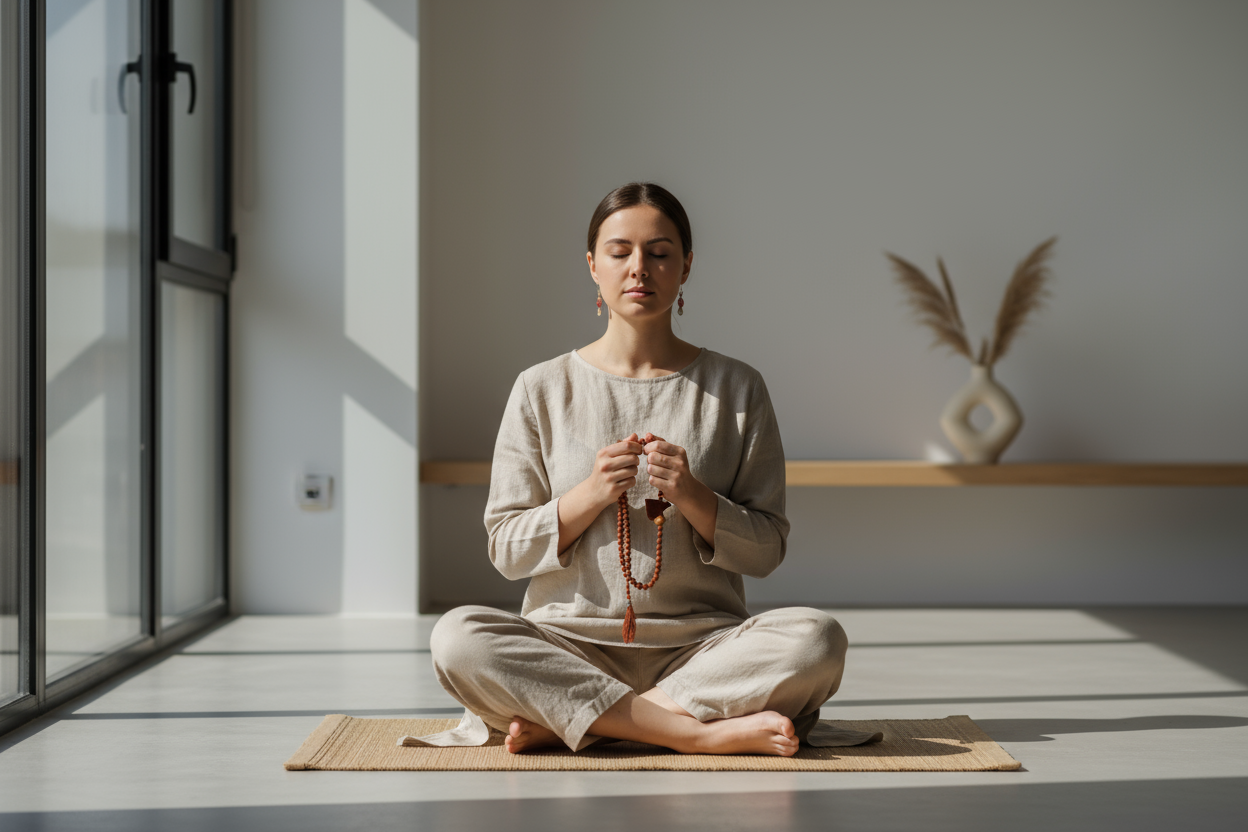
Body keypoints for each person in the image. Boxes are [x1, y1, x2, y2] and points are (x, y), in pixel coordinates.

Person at [428, 183, 850, 757]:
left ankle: (583, 720)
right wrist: (591, 494)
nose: (639, 269)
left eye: (659, 252)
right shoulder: (541, 388)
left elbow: (766, 550)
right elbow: (506, 550)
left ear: (686, 267)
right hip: (567, 645)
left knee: (816, 640)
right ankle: (692, 734)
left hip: (703, 651)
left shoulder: (738, 387)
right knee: (459, 638)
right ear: (592, 266)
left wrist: (695, 496)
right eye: (619, 251)